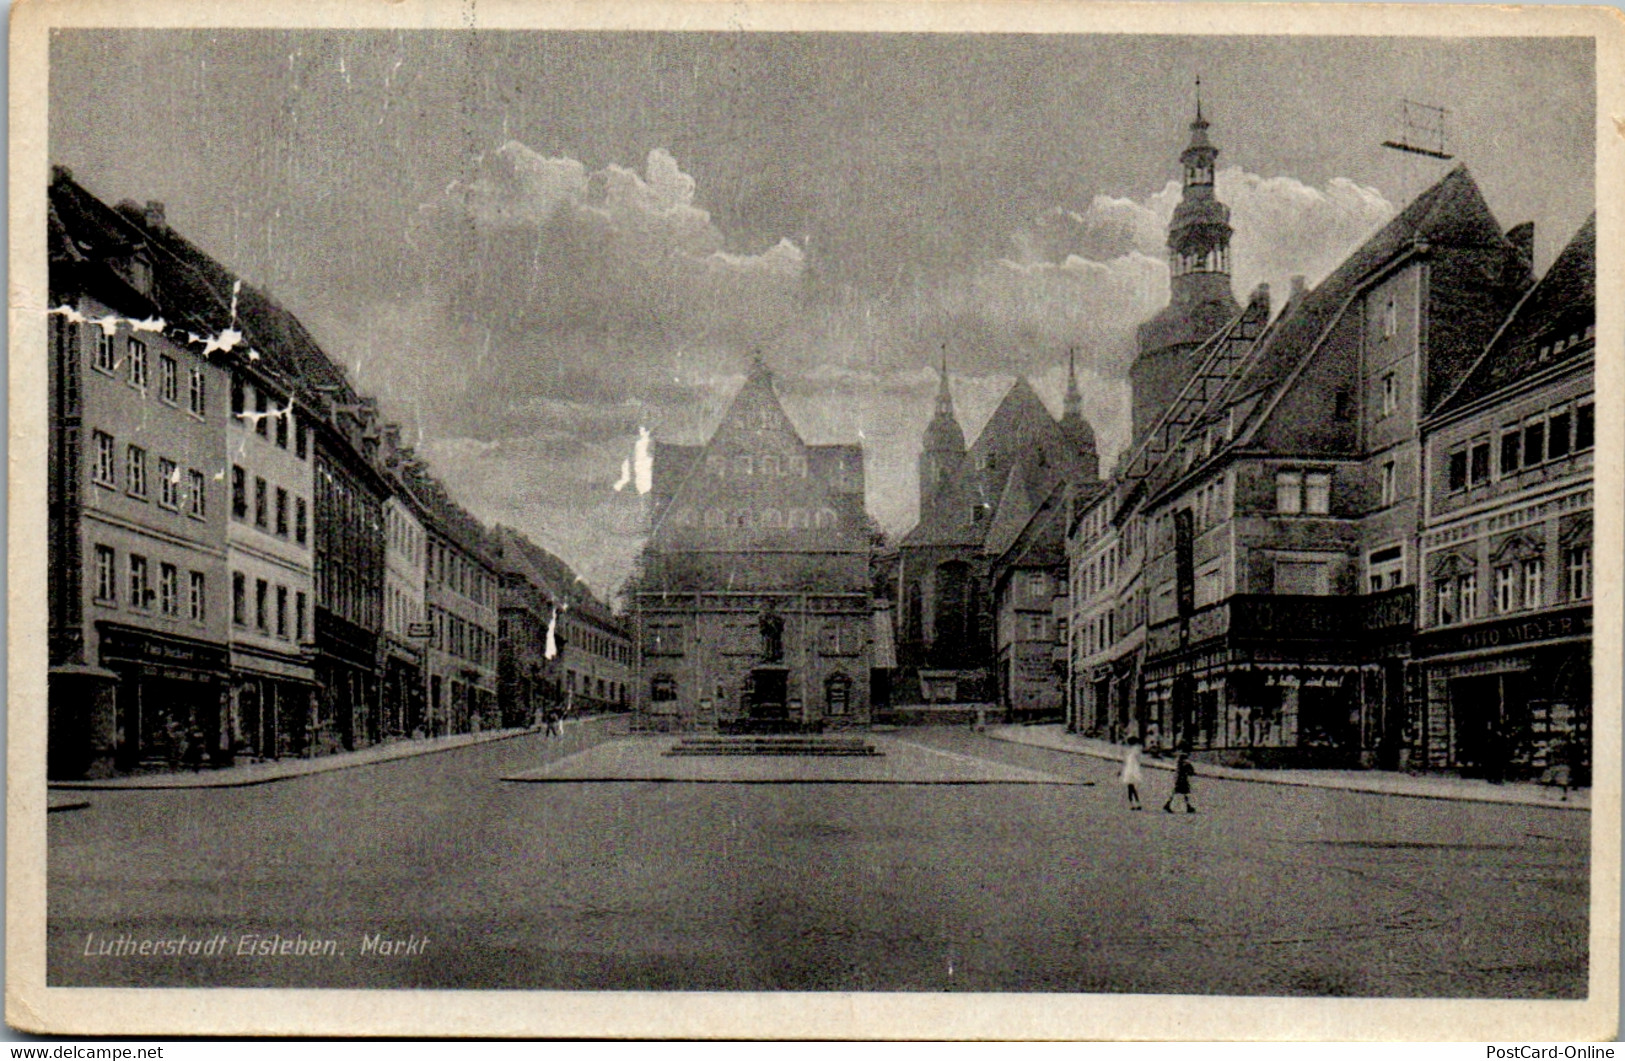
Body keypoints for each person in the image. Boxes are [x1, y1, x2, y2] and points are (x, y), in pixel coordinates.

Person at [1164, 749, 1197, 813]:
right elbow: (1190, 770)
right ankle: (1187, 807)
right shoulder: (1184, 763)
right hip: (1182, 780)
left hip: (1180, 779)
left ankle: (1168, 805)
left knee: (1181, 793)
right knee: (1183, 793)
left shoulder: (1180, 763)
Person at [1120, 737, 1144, 810]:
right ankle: (1136, 802)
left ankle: (1133, 803)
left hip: (1130, 771)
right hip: (1133, 770)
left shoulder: (1131, 751)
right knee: (1132, 788)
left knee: (1130, 788)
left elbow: (1127, 762)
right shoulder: (1135, 750)